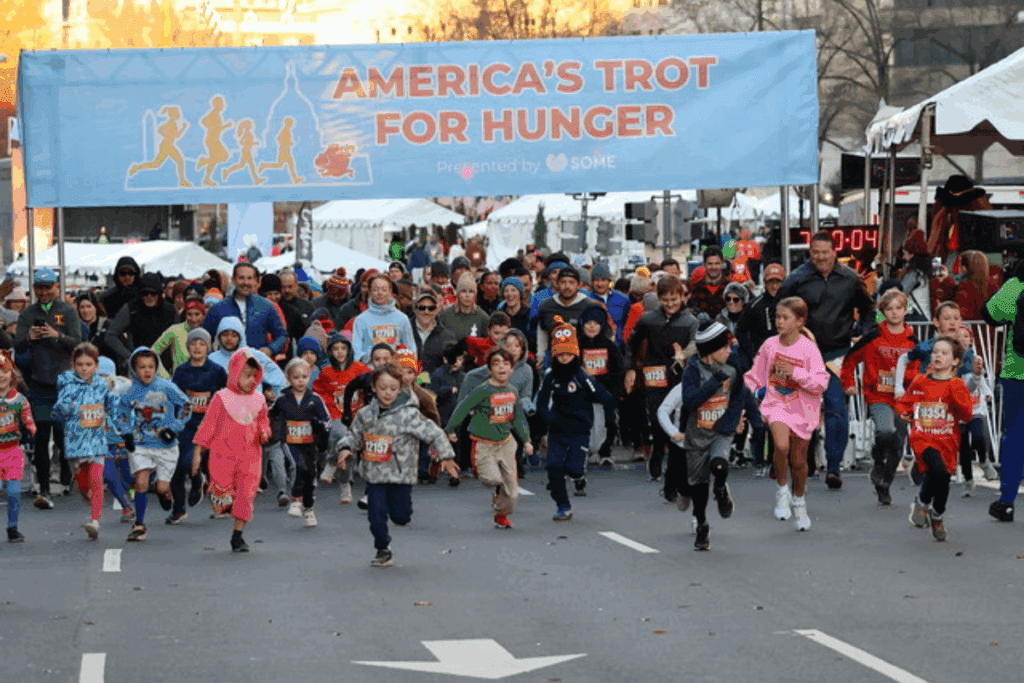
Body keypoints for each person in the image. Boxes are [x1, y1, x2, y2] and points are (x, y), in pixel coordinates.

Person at [778, 231, 874, 490]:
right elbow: (780, 312)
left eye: (824, 252)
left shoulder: (851, 278)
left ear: (834, 252)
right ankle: (802, 463)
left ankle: (833, 466)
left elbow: (869, 310)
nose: (820, 257)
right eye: (815, 252)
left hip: (836, 354)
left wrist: (861, 332)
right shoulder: (796, 279)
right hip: (802, 353)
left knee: (837, 411)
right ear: (810, 252)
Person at [338, 364, 459, 566]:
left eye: (393, 389)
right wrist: (345, 448)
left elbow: (434, 433)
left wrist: (446, 456)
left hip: (401, 475)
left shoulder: (409, 414)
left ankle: (401, 515)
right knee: (375, 515)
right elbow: (354, 435)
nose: (388, 393)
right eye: (383, 388)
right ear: (374, 388)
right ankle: (383, 549)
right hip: (375, 474)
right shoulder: (365, 414)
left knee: (400, 516)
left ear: (400, 388)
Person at [744, 298, 828, 532]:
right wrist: (743, 396)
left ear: (800, 321)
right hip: (777, 404)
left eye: (785, 318)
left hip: (803, 408)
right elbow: (756, 375)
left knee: (799, 462)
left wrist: (796, 373)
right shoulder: (770, 345)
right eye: (777, 317)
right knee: (780, 446)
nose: (779, 322)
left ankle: (799, 501)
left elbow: (821, 383)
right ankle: (782, 490)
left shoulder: (808, 348)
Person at [680, 322, 760, 550]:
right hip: (696, 435)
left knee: (719, 465)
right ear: (709, 350)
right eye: (724, 348)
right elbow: (690, 401)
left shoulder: (733, 369)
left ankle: (721, 489)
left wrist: (755, 420)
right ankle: (702, 524)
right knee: (698, 485)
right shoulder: (692, 371)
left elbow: (743, 395)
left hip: (720, 432)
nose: (729, 352)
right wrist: (715, 382)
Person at [840, 289, 917, 505]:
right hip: (878, 394)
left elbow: (921, 370)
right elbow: (850, 359)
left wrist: (903, 376)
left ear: (905, 310)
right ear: (883, 312)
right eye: (889, 309)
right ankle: (877, 457)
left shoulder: (913, 340)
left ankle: (884, 481)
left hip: (902, 397)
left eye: (898, 308)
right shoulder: (873, 336)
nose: (894, 313)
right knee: (886, 431)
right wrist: (848, 383)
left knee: (898, 444)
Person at [15, 268, 82, 508]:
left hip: (64, 384)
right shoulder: (27, 314)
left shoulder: (67, 311)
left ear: (56, 287)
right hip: (40, 382)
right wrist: (29, 338)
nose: (44, 292)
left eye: (48, 287)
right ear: (34, 289)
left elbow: (77, 344)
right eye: (40, 288)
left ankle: (66, 472)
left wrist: (56, 335)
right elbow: (18, 347)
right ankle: (44, 488)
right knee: (41, 436)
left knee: (63, 434)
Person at [192, 349, 272, 552]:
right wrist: (198, 451)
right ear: (235, 373)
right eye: (245, 375)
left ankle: (238, 535)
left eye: (253, 376)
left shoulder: (259, 399)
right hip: (223, 455)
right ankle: (216, 493)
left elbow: (263, 420)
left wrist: (264, 431)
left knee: (246, 494)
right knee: (222, 494)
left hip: (251, 455)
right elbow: (208, 425)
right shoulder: (221, 398)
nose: (249, 380)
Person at [536, 317, 615, 522]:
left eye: (568, 354)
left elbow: (604, 396)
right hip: (557, 429)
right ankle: (563, 506)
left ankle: (579, 479)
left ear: (575, 353)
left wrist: (608, 407)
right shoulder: (550, 376)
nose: (564, 358)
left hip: (579, 429)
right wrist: (548, 420)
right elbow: (542, 403)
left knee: (574, 468)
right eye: (560, 354)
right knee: (554, 467)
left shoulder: (582, 377)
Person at [623, 276, 699, 486]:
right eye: (665, 300)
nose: (670, 304)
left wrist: (683, 354)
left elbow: (697, 344)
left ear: (682, 297)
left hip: (679, 374)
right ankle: (657, 450)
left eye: (674, 300)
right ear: (659, 298)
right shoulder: (649, 318)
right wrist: (630, 368)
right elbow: (632, 342)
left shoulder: (690, 321)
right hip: (654, 372)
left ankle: (673, 462)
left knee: (677, 419)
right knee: (657, 417)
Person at [897, 336, 974, 542]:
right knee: (936, 469)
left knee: (943, 479)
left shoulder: (957, 385)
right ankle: (922, 502)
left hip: (947, 440)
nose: (938, 355)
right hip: (922, 437)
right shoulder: (920, 381)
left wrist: (958, 397)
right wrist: (904, 411)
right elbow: (906, 402)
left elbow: (967, 414)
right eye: (935, 352)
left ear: (955, 361)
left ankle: (937, 513)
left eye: (944, 353)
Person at [445, 347, 532, 529]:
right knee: (491, 479)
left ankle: (501, 515)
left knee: (513, 493)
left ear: (512, 369)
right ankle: (496, 488)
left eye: (506, 364)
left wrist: (526, 440)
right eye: (496, 364)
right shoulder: (483, 389)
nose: (501, 367)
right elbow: (463, 406)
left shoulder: (513, 391)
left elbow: (518, 418)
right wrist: (451, 428)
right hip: (484, 443)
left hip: (506, 443)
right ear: (489, 369)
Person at [52, 342, 122, 540]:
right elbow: (57, 411)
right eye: (80, 364)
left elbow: (111, 403)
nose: (84, 368)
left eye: (88, 364)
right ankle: (90, 499)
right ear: (73, 365)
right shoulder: (67, 385)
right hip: (76, 441)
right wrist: (68, 407)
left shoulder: (102, 384)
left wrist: (117, 411)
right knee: (84, 485)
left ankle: (94, 521)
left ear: (96, 366)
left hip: (97, 438)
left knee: (97, 479)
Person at [121, 347, 191, 542]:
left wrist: (174, 427)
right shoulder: (130, 391)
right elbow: (122, 413)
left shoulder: (167, 387)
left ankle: (164, 494)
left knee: (160, 487)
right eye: (142, 367)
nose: (147, 371)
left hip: (165, 445)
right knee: (141, 482)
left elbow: (186, 405)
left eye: (151, 366)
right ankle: (140, 524)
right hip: (141, 443)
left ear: (157, 367)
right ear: (134, 369)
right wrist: (126, 434)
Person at [169, 328, 228, 523]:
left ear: (208, 348)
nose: (197, 347)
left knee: (216, 467)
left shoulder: (217, 371)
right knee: (181, 465)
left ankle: (221, 504)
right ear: (187, 347)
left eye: (202, 344)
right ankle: (179, 509)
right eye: (193, 343)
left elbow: (225, 397)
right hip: (187, 425)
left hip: (211, 426)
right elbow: (174, 398)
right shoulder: (181, 371)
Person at [981, 262, 1024, 523]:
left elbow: (990, 314)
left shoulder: (1015, 286)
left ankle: (1006, 501)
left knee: (1015, 437)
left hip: (1016, 372)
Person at [271, 359, 330, 526]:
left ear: (309, 376)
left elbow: (326, 420)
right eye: (296, 377)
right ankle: (296, 499)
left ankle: (309, 508)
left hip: (309, 442)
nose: (300, 380)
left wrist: (320, 429)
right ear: (289, 378)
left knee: (310, 475)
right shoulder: (283, 397)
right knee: (298, 466)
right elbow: (271, 414)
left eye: (304, 376)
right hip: (289, 441)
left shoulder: (315, 399)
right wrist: (272, 430)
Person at [312, 332, 370, 502]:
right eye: (335, 349)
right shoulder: (327, 372)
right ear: (330, 352)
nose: (340, 352)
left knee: (347, 451)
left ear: (349, 350)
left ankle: (344, 483)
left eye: (343, 348)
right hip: (337, 413)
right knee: (342, 434)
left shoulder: (360, 369)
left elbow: (371, 384)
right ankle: (332, 464)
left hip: (357, 415)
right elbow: (320, 391)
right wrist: (330, 409)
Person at [202, 263, 287, 359]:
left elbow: (281, 335)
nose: (245, 282)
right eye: (241, 278)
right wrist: (215, 358)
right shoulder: (218, 309)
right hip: (228, 368)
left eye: (249, 278)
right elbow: (204, 338)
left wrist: (271, 349)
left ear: (255, 281)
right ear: (233, 280)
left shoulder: (266, 306)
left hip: (257, 366)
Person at [577, 306, 623, 469]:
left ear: (602, 326)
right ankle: (585, 451)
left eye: (596, 323)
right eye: (588, 322)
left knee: (608, 422)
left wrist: (616, 392)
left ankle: (605, 451)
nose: (591, 326)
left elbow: (618, 369)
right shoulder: (577, 345)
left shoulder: (609, 346)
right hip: (582, 393)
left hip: (605, 391)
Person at [105, 273, 178, 372]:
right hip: (139, 367)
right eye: (145, 293)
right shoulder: (131, 309)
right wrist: (129, 356)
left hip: (166, 366)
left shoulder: (170, 310)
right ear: (140, 294)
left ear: (160, 293)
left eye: (153, 293)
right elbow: (110, 335)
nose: (149, 297)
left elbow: (179, 336)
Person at [0, 352, 36, 543]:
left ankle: (12, 527)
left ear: (12, 374)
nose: (0, 375)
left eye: (4, 371)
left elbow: (27, 417)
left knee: (14, 492)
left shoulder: (19, 399)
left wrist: (31, 430)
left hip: (13, 449)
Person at [955, 326, 995, 497]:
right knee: (963, 446)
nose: (962, 339)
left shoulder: (975, 359)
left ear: (970, 340)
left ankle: (985, 461)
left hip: (976, 407)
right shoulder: (953, 361)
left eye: (966, 336)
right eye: (958, 337)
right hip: (959, 411)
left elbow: (981, 380)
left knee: (979, 436)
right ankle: (968, 480)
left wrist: (988, 393)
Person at [535, 266, 604, 364]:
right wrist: (540, 355)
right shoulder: (546, 306)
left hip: (584, 361)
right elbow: (542, 332)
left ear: (579, 285)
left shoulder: (590, 306)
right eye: (563, 282)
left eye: (571, 282)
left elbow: (603, 334)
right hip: (555, 361)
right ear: (557, 284)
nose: (567, 286)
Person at [351, 274, 416, 364]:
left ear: (390, 291)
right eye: (375, 290)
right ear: (369, 292)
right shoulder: (361, 320)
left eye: (384, 290)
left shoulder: (402, 318)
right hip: (369, 371)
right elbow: (356, 350)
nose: (380, 293)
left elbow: (411, 347)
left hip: (395, 371)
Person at [735, 262, 786, 370]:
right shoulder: (754, 306)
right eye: (770, 282)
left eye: (778, 282)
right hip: (762, 359)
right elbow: (740, 330)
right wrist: (752, 351)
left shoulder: (791, 303)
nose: (774, 286)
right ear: (765, 283)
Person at [152, 299, 207, 375]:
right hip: (179, 381)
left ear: (203, 315)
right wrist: (165, 376)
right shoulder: (175, 330)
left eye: (197, 314)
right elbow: (153, 352)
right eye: (189, 314)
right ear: (185, 315)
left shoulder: (207, 333)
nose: (193, 319)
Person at [410, 290, 456, 375]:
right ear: (415, 309)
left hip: (435, 385)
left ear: (436, 310)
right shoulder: (405, 331)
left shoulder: (447, 336)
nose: (426, 312)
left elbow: (452, 367)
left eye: (431, 308)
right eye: (422, 308)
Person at [437, 273, 491, 343]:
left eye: (471, 291)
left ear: (475, 295)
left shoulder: (483, 318)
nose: (467, 295)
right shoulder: (445, 315)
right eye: (463, 291)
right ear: (458, 294)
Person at [588, 264, 629, 347]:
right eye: (596, 280)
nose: (600, 284)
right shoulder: (586, 299)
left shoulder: (623, 299)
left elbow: (626, 324)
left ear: (609, 281)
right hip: (593, 348)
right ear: (592, 282)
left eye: (603, 280)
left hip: (616, 348)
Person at [689, 247, 729, 319]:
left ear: (722, 264)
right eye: (710, 264)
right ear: (704, 264)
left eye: (717, 263)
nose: (713, 267)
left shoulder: (730, 287)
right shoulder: (696, 288)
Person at [76, 292, 111, 357]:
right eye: (82, 307)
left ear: (96, 307)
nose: (85, 310)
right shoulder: (76, 326)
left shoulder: (107, 325)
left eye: (89, 306)